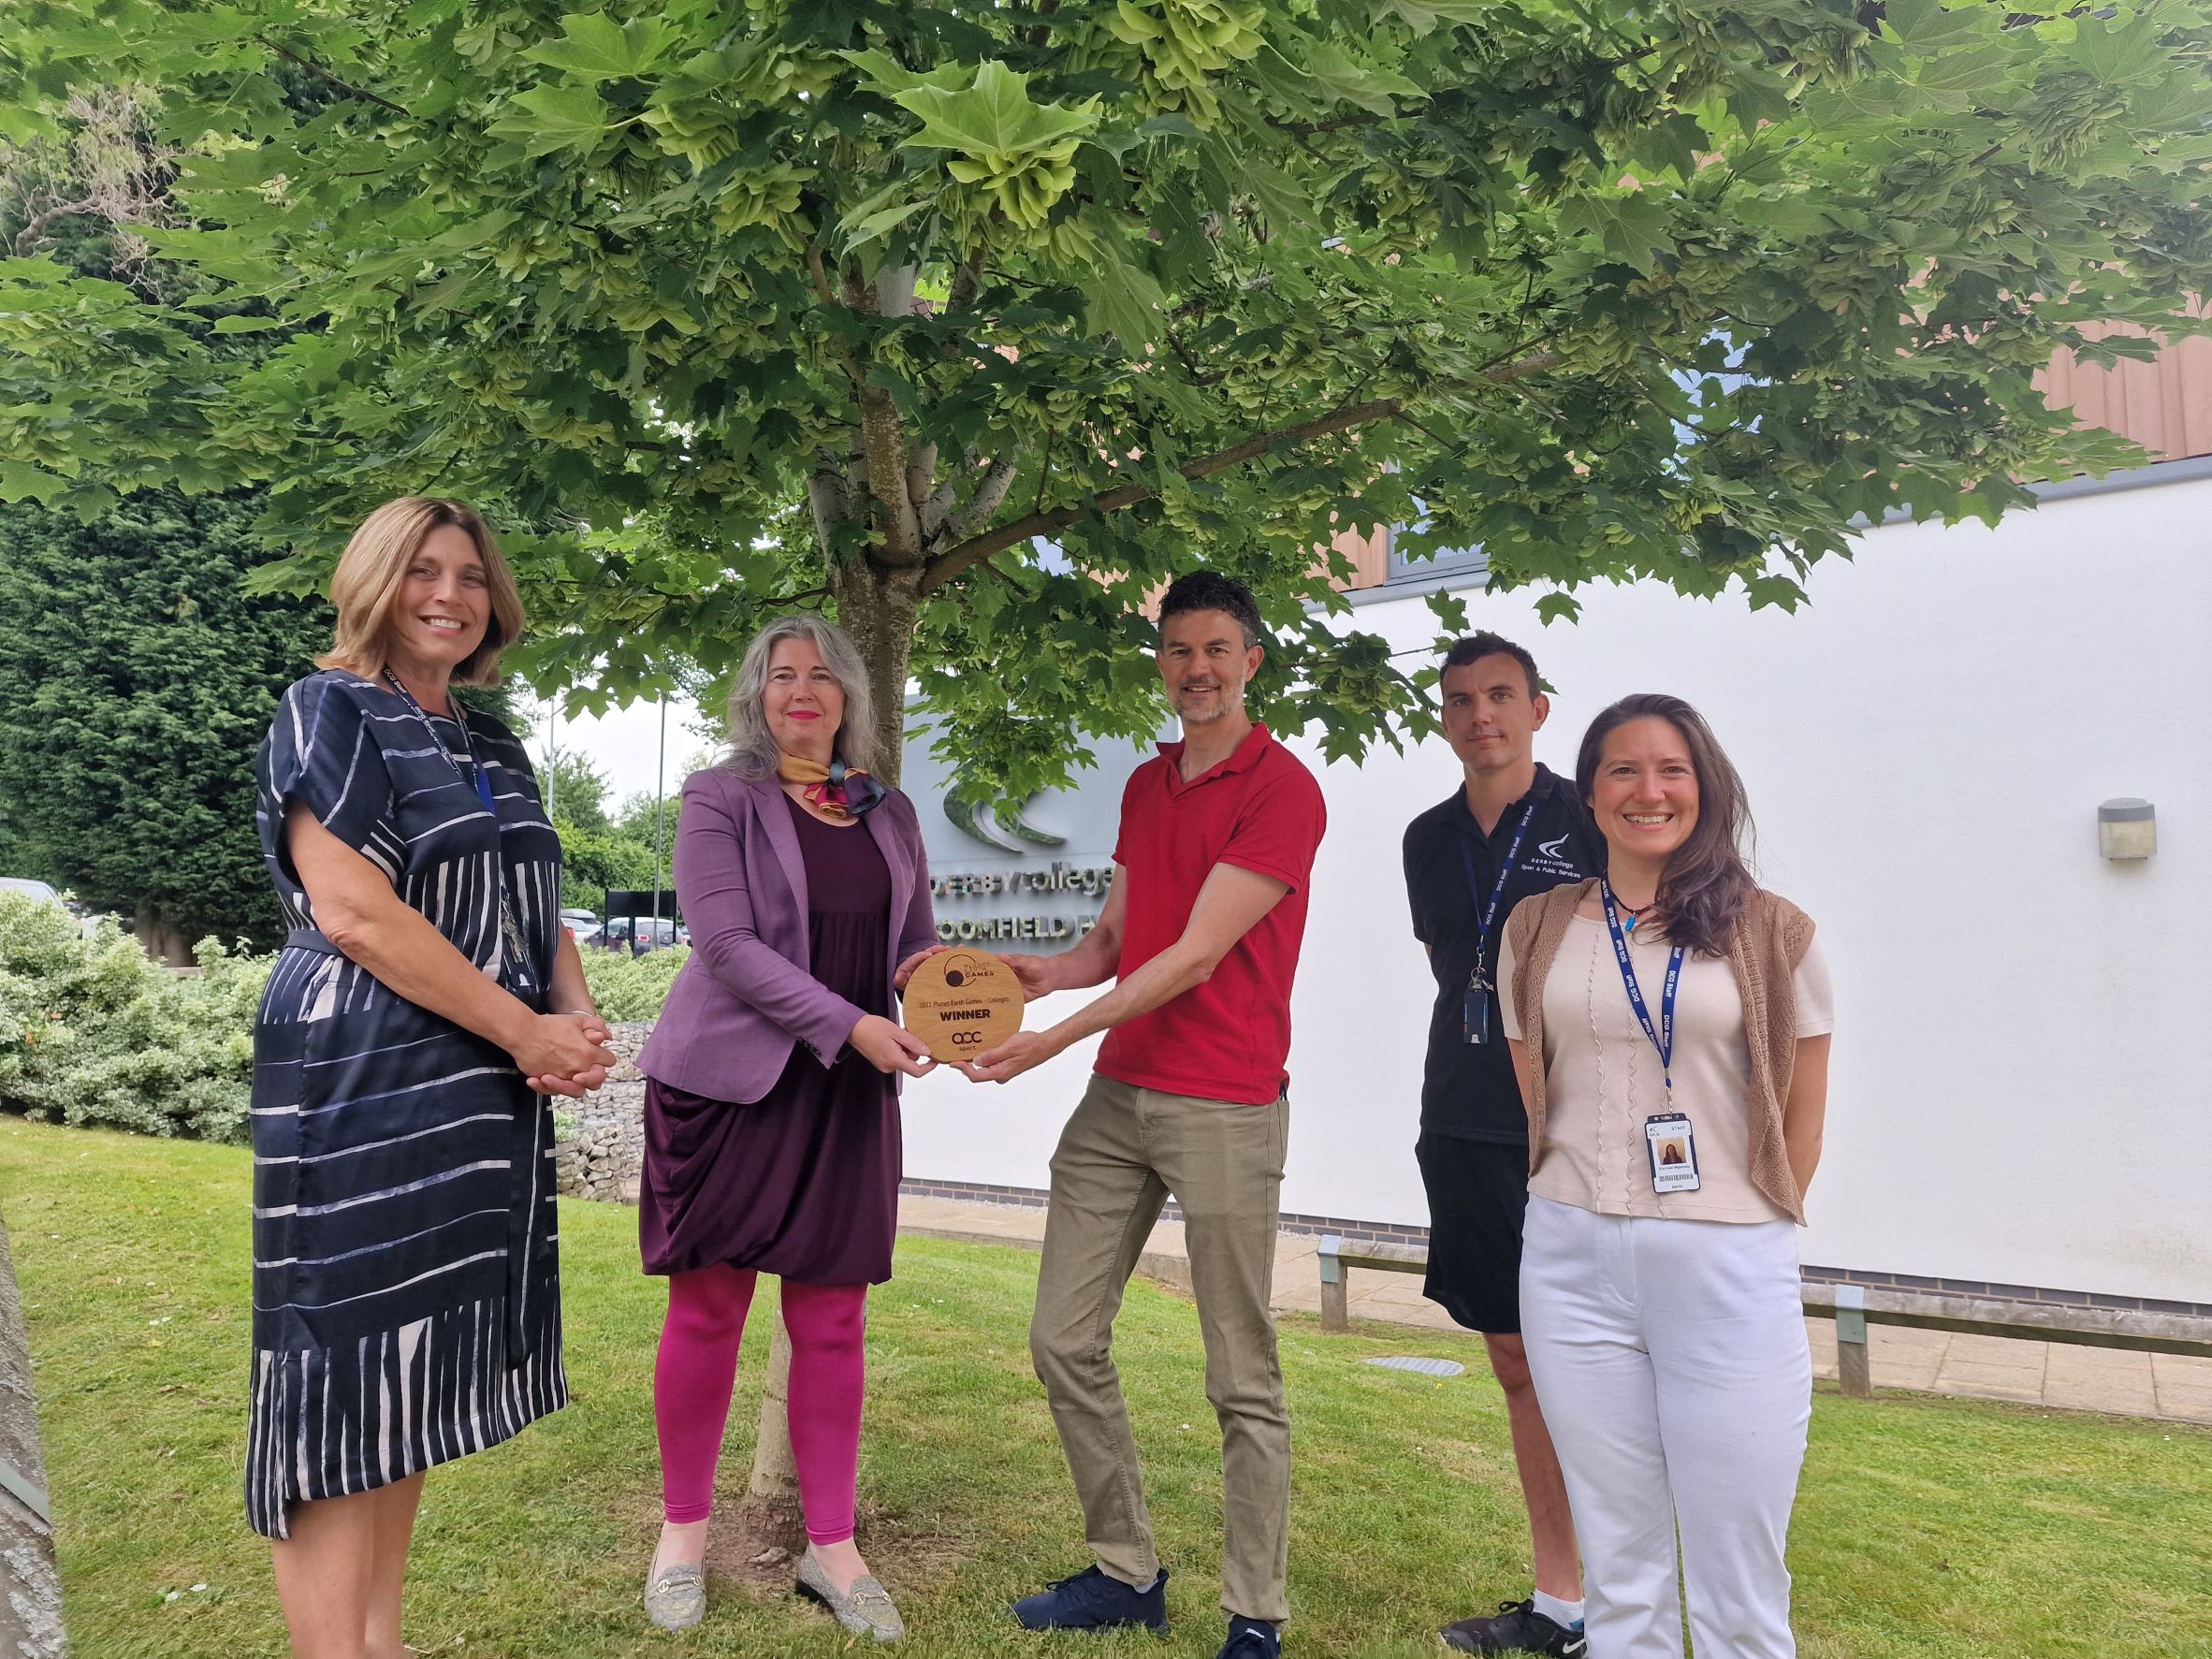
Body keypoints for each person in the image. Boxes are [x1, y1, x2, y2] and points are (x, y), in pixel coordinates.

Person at [249, 497, 615, 1659]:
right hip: (363, 1070)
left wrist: (576, 1012)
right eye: (422, 571)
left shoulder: (493, 739)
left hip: (480, 1084)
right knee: (340, 1377)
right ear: (375, 581)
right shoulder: (329, 709)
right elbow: (356, 912)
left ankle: (381, 1643)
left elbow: (534, 898)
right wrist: (524, 1030)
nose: (448, 595)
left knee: (411, 1376)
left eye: (469, 575)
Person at [963, 572, 1327, 1659]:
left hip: (1224, 1100)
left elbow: (1199, 954)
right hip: (1121, 1097)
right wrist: (1046, 975)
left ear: (1251, 660)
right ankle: (1127, 1571)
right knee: (1061, 1339)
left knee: (1239, 1372)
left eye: (1217, 649)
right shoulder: (1144, 782)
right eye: (1179, 651)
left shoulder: (1284, 789)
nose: (1198, 670)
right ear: (1160, 662)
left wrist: (1053, 1041)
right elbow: (1119, 944)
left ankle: (1254, 1610)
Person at [1499, 694, 1834, 1659]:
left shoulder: (1773, 930)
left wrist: (1753, 1220)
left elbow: (1803, 1111)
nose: (1649, 790)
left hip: (1723, 1263)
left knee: (1738, 1574)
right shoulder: (1536, 926)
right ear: (1591, 793)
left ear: (1705, 788)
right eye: (1622, 770)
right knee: (1623, 1567)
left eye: (1671, 770)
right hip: (1568, 1257)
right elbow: (1538, 1083)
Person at [633, 615, 940, 1641]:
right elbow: (722, 940)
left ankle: (832, 1546)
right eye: (780, 676)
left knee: (833, 1324)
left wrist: (947, 997)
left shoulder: (888, 812)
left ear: (850, 695)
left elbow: (911, 944)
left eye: (820, 676)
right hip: (729, 1084)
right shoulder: (721, 797)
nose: (800, 692)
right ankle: (683, 1535)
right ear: (756, 697)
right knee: (709, 1314)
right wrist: (852, 1023)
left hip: (846, 1092)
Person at [1399, 633, 1605, 1656]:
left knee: (1603, 1364)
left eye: (1501, 696)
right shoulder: (1425, 838)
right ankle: (1562, 1604)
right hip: (1465, 1120)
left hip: (1577, 1123)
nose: (1481, 714)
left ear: (1538, 709)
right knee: (1518, 1363)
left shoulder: (1589, 818)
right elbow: (1451, 961)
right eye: (1461, 699)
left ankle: (1630, 1597)